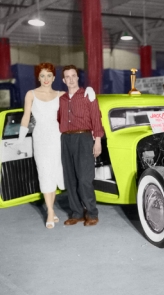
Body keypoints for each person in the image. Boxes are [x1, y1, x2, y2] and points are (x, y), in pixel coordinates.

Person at [15, 62, 65, 229]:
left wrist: (89, 91)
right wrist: (20, 140)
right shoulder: (31, 94)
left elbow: (79, 98)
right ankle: (50, 211)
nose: (46, 79)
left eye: (49, 75)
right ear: (38, 77)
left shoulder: (61, 94)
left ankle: (51, 209)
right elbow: (25, 118)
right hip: (40, 138)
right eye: (42, 75)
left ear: (54, 77)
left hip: (57, 138)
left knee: (54, 172)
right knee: (44, 173)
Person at [58, 65, 104, 227]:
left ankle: (92, 213)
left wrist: (97, 140)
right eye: (67, 77)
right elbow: (58, 120)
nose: (71, 79)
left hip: (84, 138)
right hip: (66, 139)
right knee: (70, 178)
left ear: (78, 78)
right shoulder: (62, 99)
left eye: (73, 76)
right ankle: (76, 213)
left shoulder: (87, 95)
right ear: (63, 80)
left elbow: (96, 118)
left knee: (85, 179)